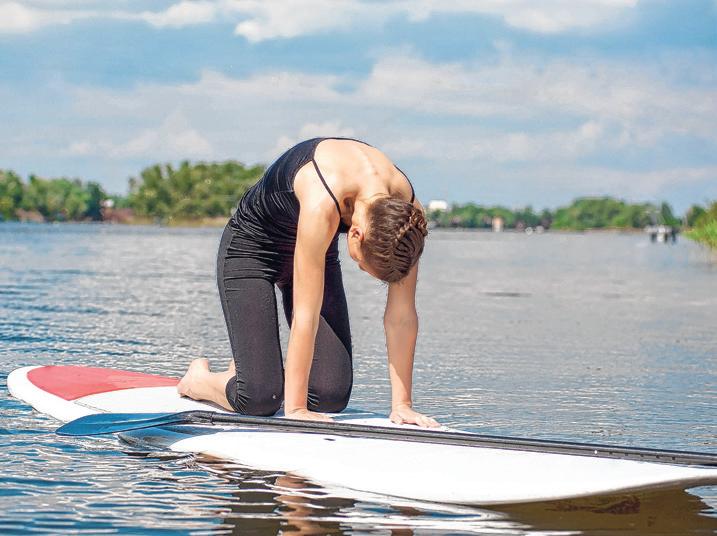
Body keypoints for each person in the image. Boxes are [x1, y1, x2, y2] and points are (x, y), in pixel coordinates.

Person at [177, 136, 437, 427]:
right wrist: (297, 408)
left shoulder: (406, 220)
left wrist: (402, 405)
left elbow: (401, 316)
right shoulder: (321, 199)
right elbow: (306, 315)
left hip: (317, 253)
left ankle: (254, 369)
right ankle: (199, 380)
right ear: (356, 234)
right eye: (362, 265)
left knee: (330, 395)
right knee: (259, 400)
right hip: (251, 251)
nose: (361, 270)